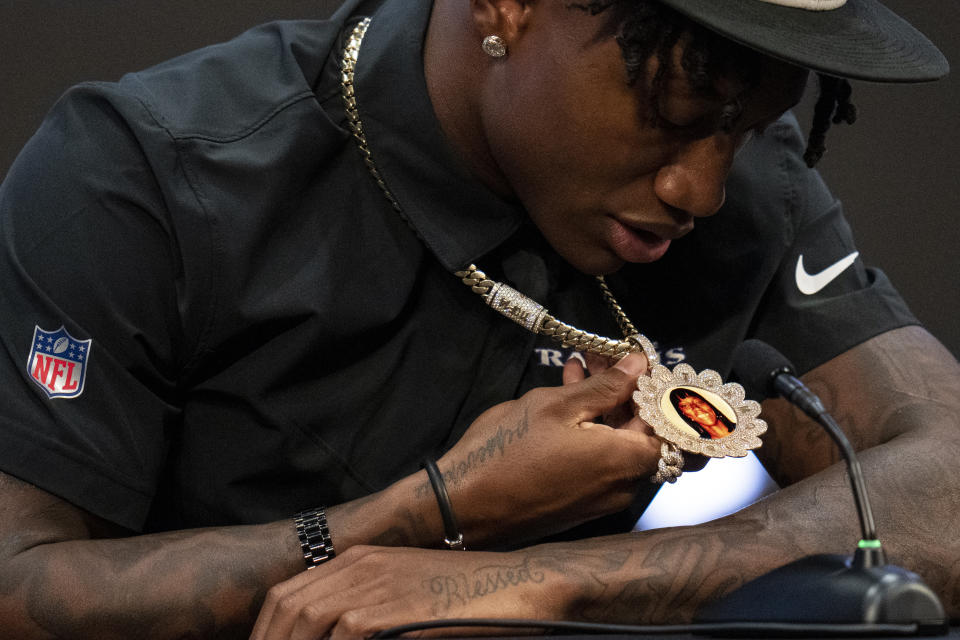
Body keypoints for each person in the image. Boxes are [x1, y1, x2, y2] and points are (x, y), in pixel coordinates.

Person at [0, 0, 957, 638]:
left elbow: (947, 482)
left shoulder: (751, 195)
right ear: (505, 7)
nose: (700, 188)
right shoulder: (150, 172)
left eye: (742, 130)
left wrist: (536, 576)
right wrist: (423, 513)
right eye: (671, 109)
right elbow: (16, 583)